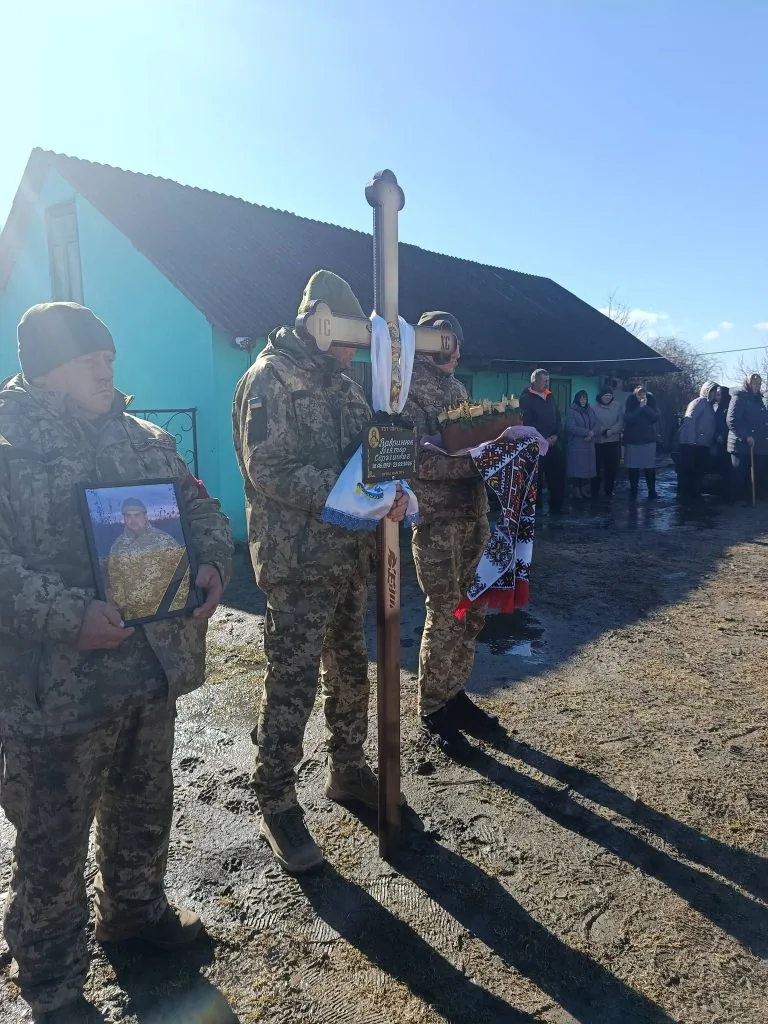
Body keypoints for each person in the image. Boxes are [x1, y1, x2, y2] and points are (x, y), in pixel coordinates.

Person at [0, 302, 233, 1023]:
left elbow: (200, 510)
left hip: (145, 673)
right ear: (46, 368)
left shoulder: (146, 437)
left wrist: (215, 563)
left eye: (108, 356)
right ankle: (55, 986)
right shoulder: (7, 443)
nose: (108, 367)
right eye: (90, 358)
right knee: (52, 840)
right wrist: (68, 616)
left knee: (143, 808)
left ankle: (134, 916)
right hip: (53, 692)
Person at [232, 270, 408, 875]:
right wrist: (353, 494)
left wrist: (393, 488)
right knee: (292, 683)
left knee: (349, 671)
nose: (357, 350)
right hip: (298, 562)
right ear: (317, 322)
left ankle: (347, 770)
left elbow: (373, 451)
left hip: (348, 557)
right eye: (349, 337)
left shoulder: (343, 385)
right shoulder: (269, 379)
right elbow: (269, 470)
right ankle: (276, 798)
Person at [403, 311, 500, 753]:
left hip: (473, 515)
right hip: (437, 520)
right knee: (443, 613)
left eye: (457, 343)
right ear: (427, 345)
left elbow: (474, 443)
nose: (456, 351)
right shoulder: (406, 390)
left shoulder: (459, 389)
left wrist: (503, 454)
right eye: (446, 343)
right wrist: (477, 461)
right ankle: (433, 706)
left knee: (472, 611)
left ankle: (455, 692)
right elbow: (414, 461)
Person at [107, 497, 187, 620]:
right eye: (128, 516)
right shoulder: (117, 547)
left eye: (137, 515)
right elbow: (115, 581)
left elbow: (182, 578)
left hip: (165, 614)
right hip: (133, 618)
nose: (132, 519)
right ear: (124, 518)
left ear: (145, 516)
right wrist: (123, 612)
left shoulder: (164, 540)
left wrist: (175, 609)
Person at [519, 369, 565, 513]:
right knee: (535, 480)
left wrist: (556, 435)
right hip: (536, 445)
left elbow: (557, 417)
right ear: (535, 381)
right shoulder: (526, 399)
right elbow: (527, 423)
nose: (547, 384)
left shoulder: (549, 396)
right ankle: (535, 510)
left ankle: (556, 508)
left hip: (553, 443)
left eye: (548, 381)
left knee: (557, 477)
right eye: (544, 381)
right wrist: (543, 438)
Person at [726, 373, 768, 504]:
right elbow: (732, 420)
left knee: (755, 473)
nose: (757, 386)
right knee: (740, 473)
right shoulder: (739, 397)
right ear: (748, 383)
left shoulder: (758, 399)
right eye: (754, 383)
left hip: (757, 444)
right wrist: (746, 436)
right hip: (740, 444)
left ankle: (748, 498)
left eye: (759, 384)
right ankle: (736, 500)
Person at [676, 381, 719, 501]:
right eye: (712, 391)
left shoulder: (709, 406)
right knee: (689, 471)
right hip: (692, 445)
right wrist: (692, 442)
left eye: (715, 392)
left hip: (701, 444)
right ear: (706, 391)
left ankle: (694, 495)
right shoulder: (699, 402)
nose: (714, 394)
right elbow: (690, 420)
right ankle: (686, 496)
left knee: (698, 471)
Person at [623, 385, 660, 499]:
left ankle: (652, 491)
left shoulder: (651, 402)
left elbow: (655, 417)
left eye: (643, 394)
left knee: (649, 467)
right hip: (633, 441)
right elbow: (629, 418)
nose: (642, 396)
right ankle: (633, 491)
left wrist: (645, 407)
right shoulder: (630, 403)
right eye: (639, 394)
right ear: (636, 395)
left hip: (648, 440)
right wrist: (640, 407)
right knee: (633, 468)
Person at [590, 385, 623, 497]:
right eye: (605, 395)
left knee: (611, 468)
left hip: (613, 441)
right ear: (601, 396)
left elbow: (621, 421)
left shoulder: (617, 406)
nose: (608, 397)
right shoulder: (593, 408)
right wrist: (603, 430)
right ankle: (595, 489)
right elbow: (593, 422)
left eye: (610, 395)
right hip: (598, 442)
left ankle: (609, 490)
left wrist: (612, 430)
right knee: (596, 467)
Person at [565, 390, 599, 499]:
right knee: (576, 469)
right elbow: (571, 427)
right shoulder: (572, 411)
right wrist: (587, 432)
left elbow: (598, 424)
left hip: (588, 444)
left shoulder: (590, 411)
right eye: (581, 398)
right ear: (577, 399)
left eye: (584, 398)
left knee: (586, 469)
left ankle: (584, 489)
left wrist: (592, 432)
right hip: (577, 444)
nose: (583, 400)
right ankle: (576, 489)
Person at [712, 385, 731, 499]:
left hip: (725, 441)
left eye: (719, 395)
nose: (717, 397)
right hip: (720, 441)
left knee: (726, 468)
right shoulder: (719, 408)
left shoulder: (726, 408)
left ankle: (726, 492)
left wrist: (721, 435)